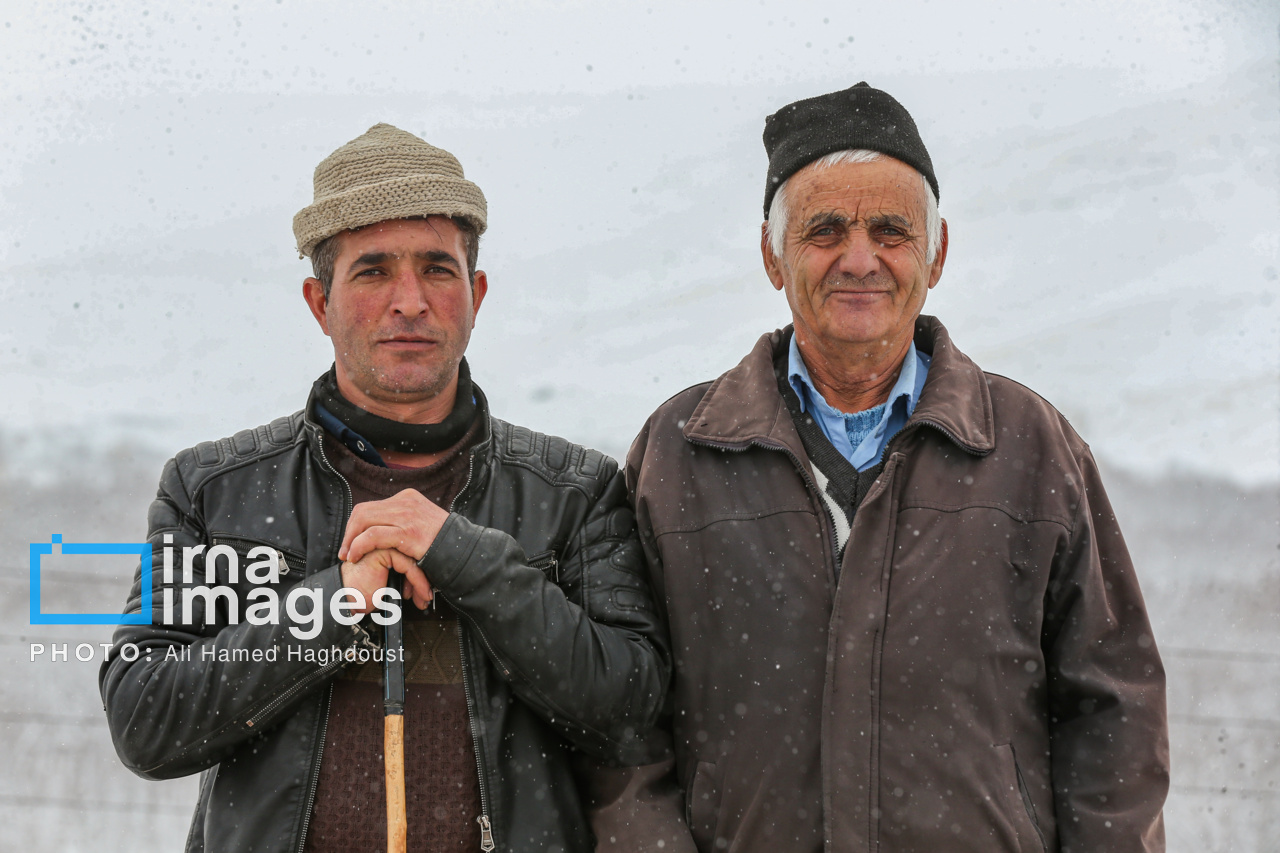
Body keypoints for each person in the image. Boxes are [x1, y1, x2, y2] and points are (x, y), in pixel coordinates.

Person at [625, 83, 1169, 852]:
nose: (860, 258)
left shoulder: (1030, 446)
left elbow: (1115, 714)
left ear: (937, 254)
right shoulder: (678, 453)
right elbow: (624, 724)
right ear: (771, 256)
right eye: (824, 230)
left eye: (890, 230)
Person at [100, 123, 670, 853]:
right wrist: (331, 602)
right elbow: (144, 718)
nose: (410, 300)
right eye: (372, 271)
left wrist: (468, 560)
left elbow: (631, 709)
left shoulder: (574, 492)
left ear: (477, 292)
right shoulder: (213, 491)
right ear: (319, 302)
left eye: (438, 268)